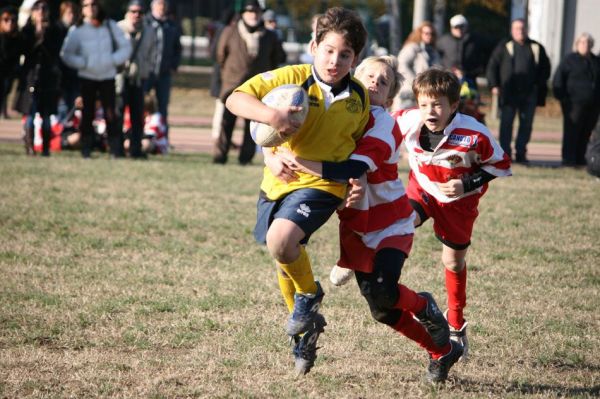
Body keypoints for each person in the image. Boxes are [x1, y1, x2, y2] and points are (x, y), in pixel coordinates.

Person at [276, 56, 463, 384]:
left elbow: (351, 169)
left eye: (384, 81)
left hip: (390, 223)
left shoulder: (382, 122)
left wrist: (299, 161)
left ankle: (424, 305)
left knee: (385, 289)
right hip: (356, 231)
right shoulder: (335, 116)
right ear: (352, 79)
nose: (375, 82)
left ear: (389, 98)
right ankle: (441, 350)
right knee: (381, 310)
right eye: (369, 75)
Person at [225, 7, 369, 375]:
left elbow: (360, 145)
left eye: (346, 54)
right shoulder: (291, 78)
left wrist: (360, 178)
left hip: (322, 184)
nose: (335, 61)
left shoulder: (359, 98)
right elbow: (235, 99)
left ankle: (310, 296)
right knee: (284, 258)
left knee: (282, 241)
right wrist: (270, 133)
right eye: (329, 50)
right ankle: (303, 335)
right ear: (313, 46)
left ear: (357, 57)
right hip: (277, 183)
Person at [213, 0, 286, 165]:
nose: (253, 15)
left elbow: (277, 58)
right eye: (250, 12)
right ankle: (220, 156)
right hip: (232, 86)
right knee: (226, 122)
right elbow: (220, 55)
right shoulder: (229, 32)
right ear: (243, 14)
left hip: (258, 88)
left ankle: (245, 158)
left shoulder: (270, 35)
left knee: (252, 125)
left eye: (257, 12)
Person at [60, 0, 131, 158]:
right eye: (86, 5)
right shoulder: (77, 30)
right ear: (82, 9)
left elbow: (126, 47)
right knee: (87, 114)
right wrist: (83, 63)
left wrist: (112, 60)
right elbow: (66, 53)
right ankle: (86, 148)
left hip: (107, 77)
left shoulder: (110, 26)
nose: (90, 8)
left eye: (93, 4)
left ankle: (114, 149)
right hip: (87, 77)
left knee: (110, 113)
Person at [486, 18, 550, 164]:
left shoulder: (536, 47)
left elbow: (546, 69)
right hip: (509, 94)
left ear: (527, 30)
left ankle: (521, 153)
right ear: (512, 30)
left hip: (529, 94)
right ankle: (505, 154)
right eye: (517, 28)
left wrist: (538, 84)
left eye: (522, 28)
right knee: (506, 124)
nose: (520, 31)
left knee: (526, 125)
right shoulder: (504, 46)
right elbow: (492, 66)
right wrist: (494, 85)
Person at [13, 0, 63, 156]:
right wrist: (36, 35)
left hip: (47, 78)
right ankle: (29, 147)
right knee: (30, 112)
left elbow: (55, 53)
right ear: (32, 12)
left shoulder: (55, 31)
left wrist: (44, 35)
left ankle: (46, 148)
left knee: (46, 114)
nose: (41, 11)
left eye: (44, 8)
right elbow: (24, 52)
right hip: (30, 77)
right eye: (37, 8)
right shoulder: (26, 31)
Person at [552, 33, 600, 167]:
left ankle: (580, 158)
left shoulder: (596, 61)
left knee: (586, 132)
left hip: (593, 105)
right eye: (582, 42)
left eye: (588, 43)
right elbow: (558, 80)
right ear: (577, 44)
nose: (585, 45)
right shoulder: (569, 60)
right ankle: (568, 159)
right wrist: (563, 99)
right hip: (573, 104)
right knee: (572, 132)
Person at [117, 0, 157, 159]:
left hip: (139, 78)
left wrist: (147, 70)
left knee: (137, 115)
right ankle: (117, 148)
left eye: (139, 12)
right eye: (133, 11)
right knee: (119, 114)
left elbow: (152, 53)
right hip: (121, 77)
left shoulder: (149, 31)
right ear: (127, 12)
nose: (136, 15)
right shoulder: (118, 29)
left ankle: (136, 149)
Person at [144, 0, 182, 136]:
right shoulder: (145, 22)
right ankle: (139, 134)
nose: (162, 7)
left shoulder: (171, 25)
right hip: (146, 73)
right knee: (142, 104)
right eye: (159, 4)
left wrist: (174, 65)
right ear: (152, 6)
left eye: (164, 5)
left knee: (163, 107)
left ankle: (162, 137)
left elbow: (177, 48)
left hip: (164, 73)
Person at [395, 21, 440, 109]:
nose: (429, 36)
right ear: (420, 34)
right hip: (409, 91)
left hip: (426, 92)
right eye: (426, 33)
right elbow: (402, 64)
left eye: (432, 34)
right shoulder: (412, 48)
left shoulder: (434, 52)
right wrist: (415, 82)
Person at [436, 14, 492, 85]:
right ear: (451, 28)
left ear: (466, 26)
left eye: (461, 26)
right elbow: (437, 59)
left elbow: (486, 58)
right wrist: (447, 71)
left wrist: (471, 72)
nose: (459, 29)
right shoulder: (443, 41)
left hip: (470, 80)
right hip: (448, 80)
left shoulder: (476, 40)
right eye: (456, 27)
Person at [208, 8, 235, 141]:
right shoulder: (225, 32)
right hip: (222, 75)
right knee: (221, 106)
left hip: (224, 75)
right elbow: (215, 54)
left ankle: (221, 136)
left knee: (223, 107)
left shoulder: (225, 31)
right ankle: (218, 136)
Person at [56, 1, 80, 120]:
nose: (72, 16)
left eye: (74, 13)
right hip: (60, 79)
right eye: (69, 13)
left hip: (74, 78)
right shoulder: (57, 31)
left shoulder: (77, 32)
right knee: (62, 109)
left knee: (72, 110)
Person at [0, 6, 22, 120]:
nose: (10, 23)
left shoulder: (18, 38)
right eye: (6, 20)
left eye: (13, 20)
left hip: (9, 73)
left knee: (6, 91)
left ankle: (4, 111)